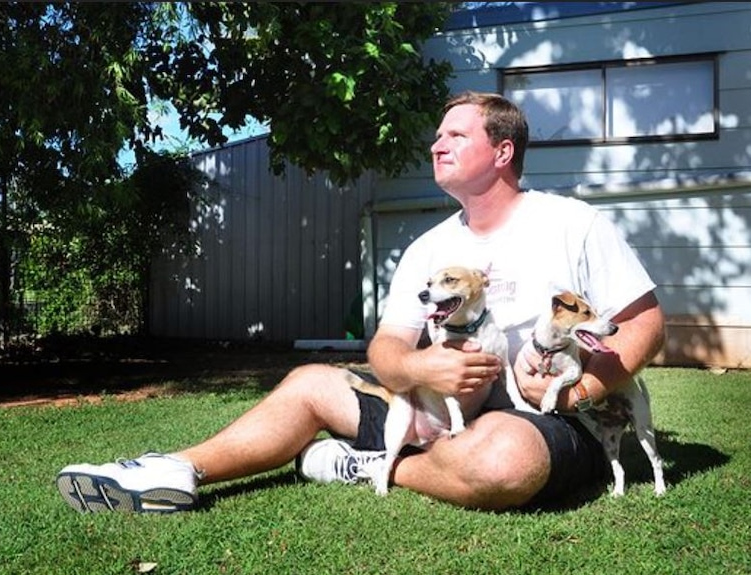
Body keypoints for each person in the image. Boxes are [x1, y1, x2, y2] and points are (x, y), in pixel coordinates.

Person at [56, 91, 665, 513]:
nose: (436, 144)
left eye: (456, 134)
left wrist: (581, 390)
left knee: (501, 460)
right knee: (309, 381)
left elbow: (646, 324)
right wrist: (424, 367)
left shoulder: (572, 223)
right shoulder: (429, 247)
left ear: (503, 152)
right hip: (436, 415)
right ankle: (174, 470)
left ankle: (372, 466)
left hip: (544, 419)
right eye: (436, 135)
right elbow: (387, 346)